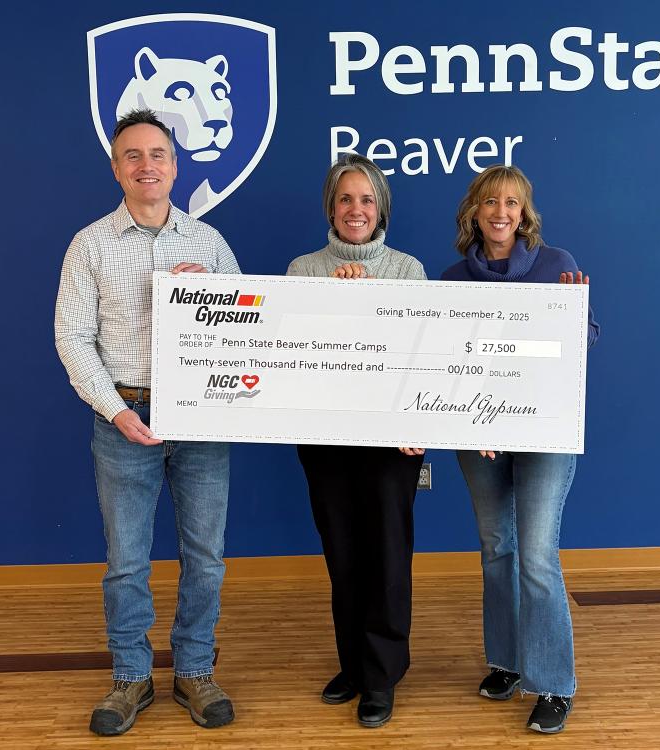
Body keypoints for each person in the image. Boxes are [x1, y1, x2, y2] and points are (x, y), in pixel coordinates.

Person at [55, 109, 240, 736]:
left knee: (206, 557)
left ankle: (194, 669)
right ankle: (131, 675)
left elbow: (249, 327)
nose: (146, 165)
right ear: (116, 168)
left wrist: (216, 293)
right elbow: (73, 338)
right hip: (124, 417)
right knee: (127, 560)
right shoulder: (90, 244)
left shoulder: (209, 244)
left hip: (201, 419)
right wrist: (115, 410)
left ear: (174, 164)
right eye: (132, 156)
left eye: (157, 154)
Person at [440, 165, 599, 734]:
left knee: (535, 554)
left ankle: (554, 683)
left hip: (544, 436)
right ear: (474, 212)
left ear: (524, 212)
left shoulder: (559, 266)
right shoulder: (453, 280)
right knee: (496, 548)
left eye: (511, 202)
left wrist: (579, 318)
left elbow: (576, 351)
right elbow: (449, 365)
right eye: (489, 202)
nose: (500, 212)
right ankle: (507, 662)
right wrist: (472, 421)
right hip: (478, 440)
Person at [286, 154, 426, 728]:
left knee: (387, 556)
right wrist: (335, 301)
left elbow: (420, 353)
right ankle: (353, 665)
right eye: (346, 199)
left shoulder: (407, 270)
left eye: (367, 200)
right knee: (343, 556)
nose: (356, 210)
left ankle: (382, 676)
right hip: (325, 437)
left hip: (392, 440)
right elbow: (294, 352)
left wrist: (365, 297)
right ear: (330, 206)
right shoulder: (302, 270)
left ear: (381, 209)